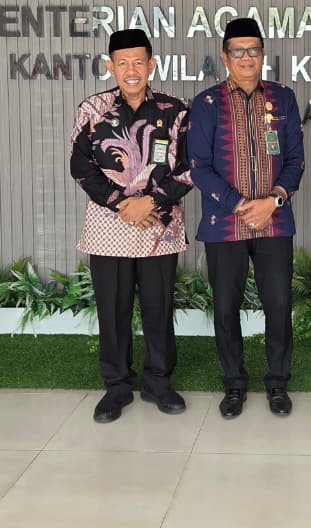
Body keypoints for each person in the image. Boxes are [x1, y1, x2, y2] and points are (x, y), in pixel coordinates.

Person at [69, 28, 194, 423]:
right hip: (109, 227)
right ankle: (117, 386)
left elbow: (190, 168)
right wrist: (123, 204)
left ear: (151, 64)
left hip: (159, 227)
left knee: (158, 308)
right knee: (113, 310)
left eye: (138, 61)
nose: (131, 70)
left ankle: (158, 381)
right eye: (122, 63)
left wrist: (151, 202)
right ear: (111, 67)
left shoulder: (176, 110)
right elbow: (80, 167)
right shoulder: (93, 109)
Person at [187, 17, 305, 419]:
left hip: (275, 221)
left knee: (278, 304)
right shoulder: (206, 103)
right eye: (238, 51)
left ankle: (278, 383)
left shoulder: (283, 98)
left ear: (262, 54)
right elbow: (198, 166)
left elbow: (295, 160)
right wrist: (240, 205)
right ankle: (234, 384)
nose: (246, 57)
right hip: (224, 224)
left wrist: (273, 200)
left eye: (253, 50)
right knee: (225, 307)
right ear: (225, 57)